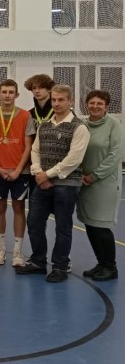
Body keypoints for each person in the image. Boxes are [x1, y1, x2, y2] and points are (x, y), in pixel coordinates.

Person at [17, 85, 89, 283]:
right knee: (34, 222)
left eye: (61, 100)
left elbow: (74, 159)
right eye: (54, 100)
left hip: (67, 184)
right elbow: (35, 150)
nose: (56, 103)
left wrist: (47, 175)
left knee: (62, 227)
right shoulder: (45, 125)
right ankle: (38, 261)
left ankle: (60, 266)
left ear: (70, 101)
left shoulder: (79, 127)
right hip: (42, 182)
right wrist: (38, 172)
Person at [77, 90, 123, 282]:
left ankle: (111, 267)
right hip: (84, 183)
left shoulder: (114, 125)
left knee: (101, 227)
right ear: (86, 104)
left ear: (106, 107)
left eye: (100, 104)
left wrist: (94, 176)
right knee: (90, 225)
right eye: (92, 103)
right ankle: (101, 263)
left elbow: (115, 155)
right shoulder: (83, 125)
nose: (95, 106)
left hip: (104, 184)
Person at [0, 79, 34, 267]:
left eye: (11, 92)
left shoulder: (25, 116)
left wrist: (18, 170)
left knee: (18, 209)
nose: (7, 95)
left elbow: (28, 146)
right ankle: (0, 249)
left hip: (20, 172)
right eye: (4, 92)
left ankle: (17, 252)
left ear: (16, 95)